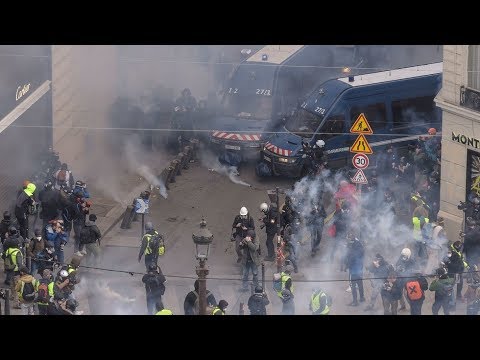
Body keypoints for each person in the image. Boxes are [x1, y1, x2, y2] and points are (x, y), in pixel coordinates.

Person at [343, 232, 365, 306]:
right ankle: (362, 298)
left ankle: (355, 302)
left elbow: (350, 258)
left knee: (353, 285)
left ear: (350, 239)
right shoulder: (359, 244)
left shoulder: (352, 247)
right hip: (360, 268)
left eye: (348, 239)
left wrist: (346, 266)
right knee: (360, 283)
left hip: (353, 269)